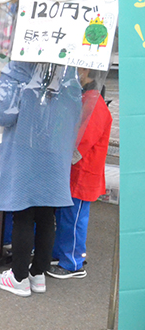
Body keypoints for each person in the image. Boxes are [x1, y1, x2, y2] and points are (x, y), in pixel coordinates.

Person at [0, 62, 82, 297]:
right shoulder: (66, 69)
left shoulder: (18, 68)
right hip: (54, 150)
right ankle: (38, 273)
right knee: (46, 213)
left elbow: (5, 115)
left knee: (24, 213)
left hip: (25, 150)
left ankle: (18, 277)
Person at [49, 68, 112, 279]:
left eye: (82, 70)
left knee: (73, 219)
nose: (78, 73)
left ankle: (73, 263)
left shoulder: (94, 104)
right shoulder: (88, 99)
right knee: (66, 217)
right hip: (76, 172)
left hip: (82, 173)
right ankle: (61, 254)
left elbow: (82, 141)